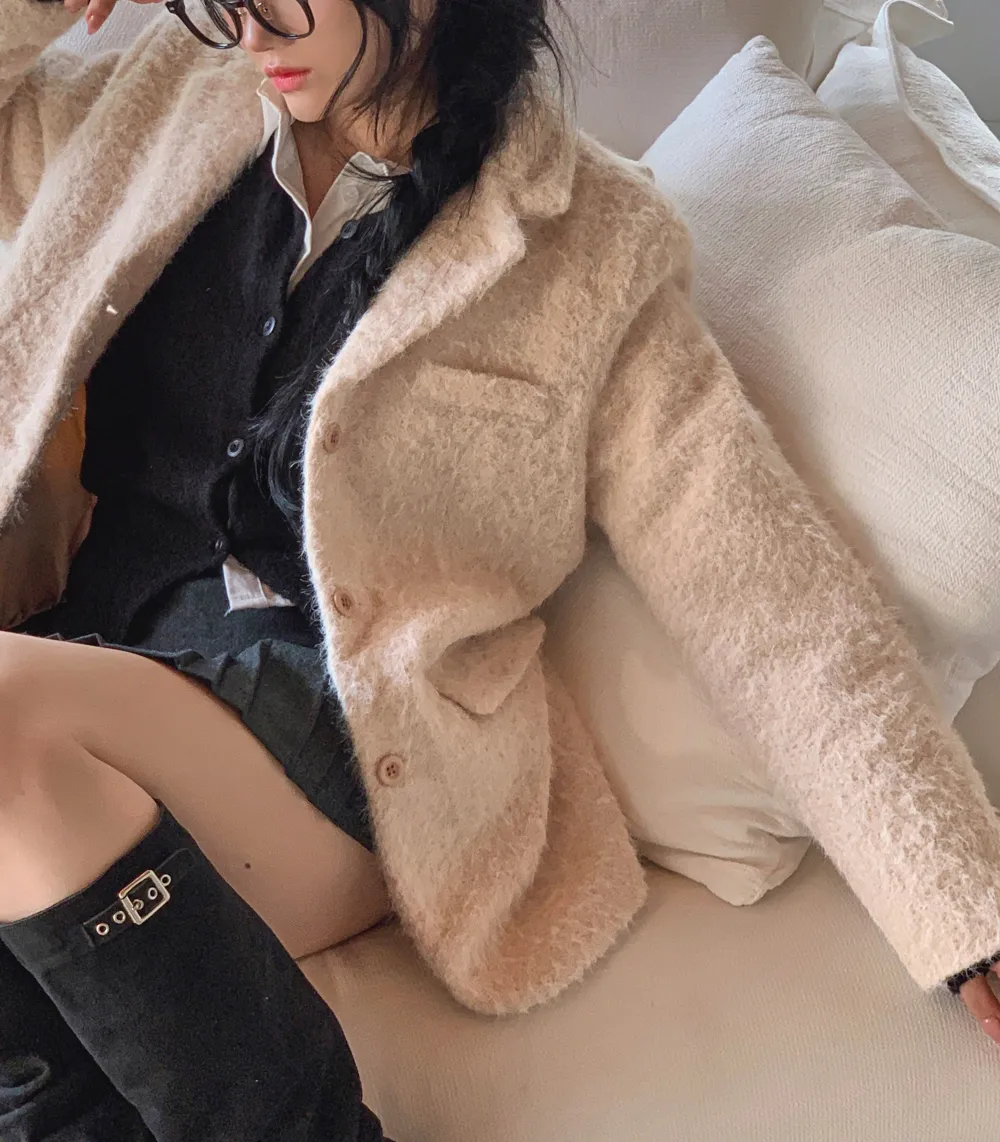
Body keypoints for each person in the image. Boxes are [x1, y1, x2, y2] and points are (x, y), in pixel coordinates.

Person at [3, 0, 1000, 1134]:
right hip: (88, 666)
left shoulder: (588, 244)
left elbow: (764, 602)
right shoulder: (169, 96)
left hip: (348, 740)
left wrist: (960, 903)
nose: (249, 35)